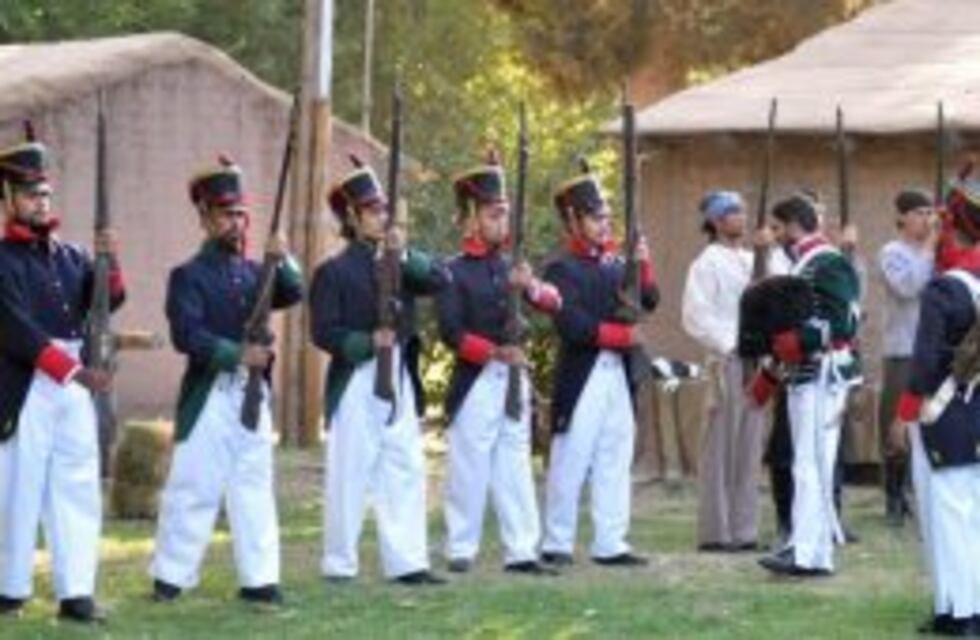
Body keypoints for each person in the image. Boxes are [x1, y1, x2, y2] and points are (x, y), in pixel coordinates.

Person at [150, 157, 303, 607]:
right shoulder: (187, 276)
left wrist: (283, 255)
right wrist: (238, 354)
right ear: (205, 217)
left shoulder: (257, 273)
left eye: (239, 213)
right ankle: (171, 575)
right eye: (224, 213)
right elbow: (187, 335)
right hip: (210, 392)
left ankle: (260, 578)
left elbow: (293, 291)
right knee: (194, 485)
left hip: (252, 394)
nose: (235, 222)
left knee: (253, 483)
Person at [0, 127, 125, 623]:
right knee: (17, 486)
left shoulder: (71, 256)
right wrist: (74, 372)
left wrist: (108, 258)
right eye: (30, 193)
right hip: (27, 381)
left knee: (76, 484)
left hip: (73, 381)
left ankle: (77, 592)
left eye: (44, 192)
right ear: (8, 197)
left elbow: (106, 301)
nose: (39, 200)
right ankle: (9, 587)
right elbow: (15, 329)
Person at [310, 158, 448, 585]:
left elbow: (440, 278)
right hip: (355, 378)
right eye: (372, 210)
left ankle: (408, 562)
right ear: (351, 216)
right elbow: (324, 332)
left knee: (404, 466)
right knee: (349, 472)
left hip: (399, 376)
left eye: (384, 209)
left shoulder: (398, 262)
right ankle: (339, 563)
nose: (382, 216)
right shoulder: (332, 272)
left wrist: (402, 252)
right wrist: (366, 343)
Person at [437, 154, 561, 575]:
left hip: (513, 378)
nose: (501, 223)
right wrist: (493, 352)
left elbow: (552, 301)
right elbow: (451, 333)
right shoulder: (452, 271)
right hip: (476, 380)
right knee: (469, 468)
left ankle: (522, 550)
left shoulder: (511, 267)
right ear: (471, 217)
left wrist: (530, 286)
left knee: (514, 464)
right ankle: (460, 547)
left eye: (505, 215)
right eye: (494, 214)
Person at [539, 163, 658, 567]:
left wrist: (642, 263)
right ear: (573, 219)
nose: (604, 224)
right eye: (595, 216)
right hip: (583, 370)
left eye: (607, 216)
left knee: (615, 453)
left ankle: (611, 542)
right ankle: (557, 540)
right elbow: (571, 323)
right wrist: (622, 337)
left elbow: (649, 301)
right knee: (571, 456)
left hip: (617, 373)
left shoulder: (615, 264)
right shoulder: (560, 268)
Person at [752, 193, 861, 577]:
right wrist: (773, 366)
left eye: (779, 227)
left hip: (823, 375)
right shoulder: (803, 264)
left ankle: (809, 553)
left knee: (812, 465)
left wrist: (799, 343)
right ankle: (805, 548)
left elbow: (844, 321)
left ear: (794, 224)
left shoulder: (828, 262)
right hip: (803, 375)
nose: (776, 235)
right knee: (805, 464)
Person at [891, 174, 980, 636]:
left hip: (945, 414)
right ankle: (953, 606)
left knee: (948, 514)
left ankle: (963, 614)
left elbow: (925, 365)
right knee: (972, 513)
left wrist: (903, 415)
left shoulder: (945, 289)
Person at [682, 190, 765, 552]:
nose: (741, 218)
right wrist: (732, 344)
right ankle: (717, 531)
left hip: (757, 361)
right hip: (728, 359)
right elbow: (696, 316)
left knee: (749, 446)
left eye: (743, 211)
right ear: (716, 221)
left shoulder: (753, 258)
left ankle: (745, 529)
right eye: (732, 213)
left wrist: (767, 251)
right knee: (721, 446)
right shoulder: (707, 263)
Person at [876, 188, 935, 527]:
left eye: (930, 212)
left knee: (928, 422)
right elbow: (908, 287)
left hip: (934, 350)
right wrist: (928, 251)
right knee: (897, 421)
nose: (926, 219)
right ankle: (894, 495)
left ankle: (917, 490)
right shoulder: (892, 252)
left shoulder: (939, 252)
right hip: (903, 349)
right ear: (901, 217)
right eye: (919, 212)